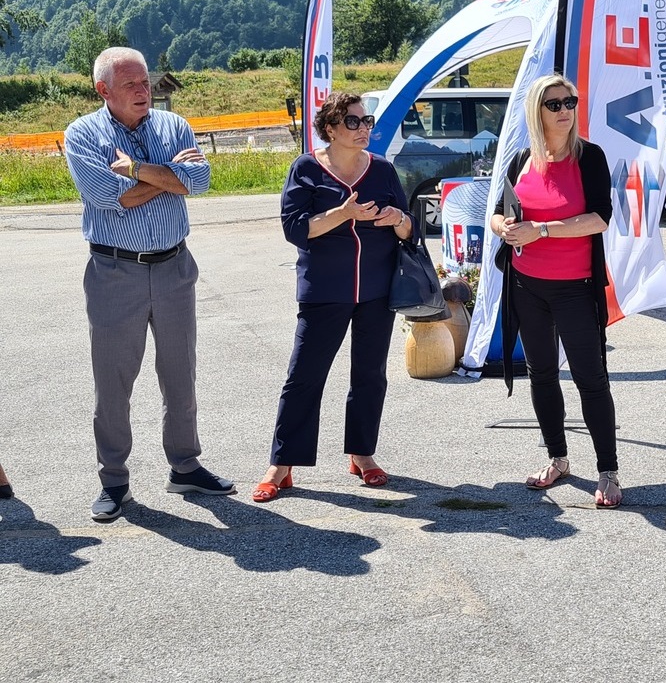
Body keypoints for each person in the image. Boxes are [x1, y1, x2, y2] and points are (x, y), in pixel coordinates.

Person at [64, 47, 234, 523]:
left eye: (146, 82)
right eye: (131, 84)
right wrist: (170, 177)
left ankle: (185, 465)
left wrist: (137, 171)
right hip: (115, 272)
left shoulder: (173, 127)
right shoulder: (83, 134)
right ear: (103, 90)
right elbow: (104, 198)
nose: (144, 91)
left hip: (176, 267)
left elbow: (199, 182)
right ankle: (114, 480)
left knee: (181, 373)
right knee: (114, 381)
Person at [253, 93, 414, 503]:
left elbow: (410, 228)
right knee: (304, 376)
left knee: (370, 374)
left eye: (367, 121)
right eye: (354, 122)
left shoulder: (382, 169)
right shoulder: (305, 168)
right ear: (330, 129)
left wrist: (397, 219)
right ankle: (282, 464)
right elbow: (295, 230)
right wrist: (343, 213)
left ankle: (362, 454)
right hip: (324, 290)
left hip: (377, 290)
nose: (364, 129)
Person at [490, 74, 620, 508]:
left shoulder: (590, 158)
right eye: (555, 104)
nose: (565, 110)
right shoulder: (522, 158)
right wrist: (506, 228)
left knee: (590, 379)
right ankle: (558, 459)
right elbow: (496, 215)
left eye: (570, 101)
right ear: (536, 111)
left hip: (575, 288)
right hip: (527, 287)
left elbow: (599, 218)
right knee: (541, 373)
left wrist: (540, 230)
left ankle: (608, 471)